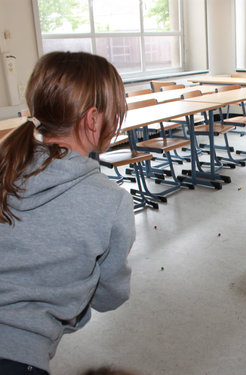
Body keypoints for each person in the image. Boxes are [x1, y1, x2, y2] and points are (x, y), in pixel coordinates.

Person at [0, 52, 135, 375]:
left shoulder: (7, 168)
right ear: (92, 120)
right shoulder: (110, 201)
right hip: (18, 356)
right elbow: (109, 295)